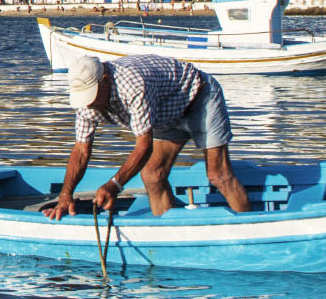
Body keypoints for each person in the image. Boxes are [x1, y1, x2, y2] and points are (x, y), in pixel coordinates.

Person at [45, 53, 251, 220]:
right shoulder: (85, 104)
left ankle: (248, 231)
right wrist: (65, 195)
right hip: (164, 114)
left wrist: (114, 185)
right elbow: (81, 150)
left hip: (199, 97)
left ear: (105, 80)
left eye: (92, 96)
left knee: (218, 175)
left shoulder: (132, 85)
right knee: (152, 174)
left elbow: (144, 146)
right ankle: (171, 236)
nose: (89, 104)